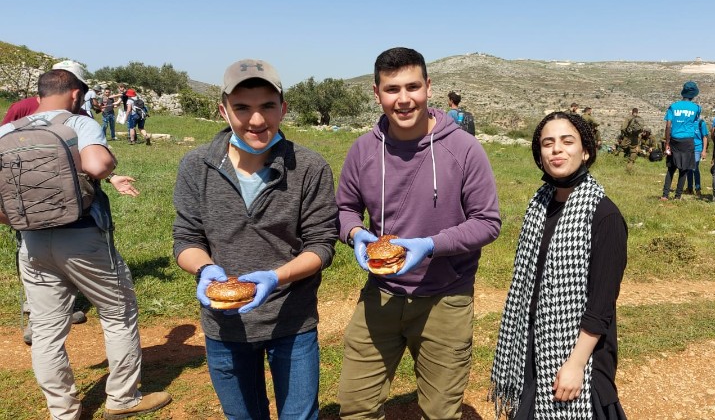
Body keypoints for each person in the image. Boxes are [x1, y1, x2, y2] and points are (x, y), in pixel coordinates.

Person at [335, 47, 501, 419]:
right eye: (392, 89)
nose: (404, 99)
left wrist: (430, 245)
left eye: (413, 86)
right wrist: (354, 233)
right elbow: (344, 208)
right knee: (355, 407)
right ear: (376, 93)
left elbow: (487, 221)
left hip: (445, 299)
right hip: (381, 296)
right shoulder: (363, 150)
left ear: (428, 87)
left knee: (440, 413)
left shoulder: (463, 149)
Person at [1, 62, 169, 419]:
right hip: (81, 236)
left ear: (39, 94)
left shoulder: (7, 132)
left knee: (46, 329)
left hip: (31, 242)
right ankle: (124, 399)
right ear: (76, 94)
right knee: (117, 312)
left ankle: (63, 411)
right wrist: (105, 162)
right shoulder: (79, 122)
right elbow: (96, 166)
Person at [172, 58, 338, 419]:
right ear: (223, 110)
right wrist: (205, 269)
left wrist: (276, 277)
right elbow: (186, 238)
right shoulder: (196, 165)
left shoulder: (309, 167)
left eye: (267, 106)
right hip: (224, 324)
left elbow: (322, 245)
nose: (257, 120)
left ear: (283, 108)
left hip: (291, 321)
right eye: (242, 108)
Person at [490, 111, 628, 419]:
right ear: (539, 154)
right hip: (532, 343)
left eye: (568, 141)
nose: (557, 150)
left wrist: (575, 364)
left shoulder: (604, 215)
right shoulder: (540, 205)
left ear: (586, 150)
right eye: (548, 143)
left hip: (583, 356)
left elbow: (601, 304)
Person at [661, 81, 701, 200]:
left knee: (671, 168)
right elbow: (694, 123)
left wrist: (667, 143)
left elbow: (668, 125)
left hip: (674, 139)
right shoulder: (697, 108)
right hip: (688, 140)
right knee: (684, 169)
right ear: (694, 94)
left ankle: (665, 195)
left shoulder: (673, 106)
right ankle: (678, 196)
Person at [685, 116, 709, 196]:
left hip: (697, 148)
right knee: (689, 168)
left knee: (694, 167)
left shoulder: (701, 123)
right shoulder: (688, 121)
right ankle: (689, 188)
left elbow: (705, 137)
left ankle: (698, 188)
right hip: (688, 147)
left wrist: (704, 150)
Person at [619, 108, 644, 172]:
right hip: (636, 137)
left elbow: (623, 128)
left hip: (628, 136)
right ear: (637, 112)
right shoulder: (640, 119)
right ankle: (630, 163)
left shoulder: (629, 118)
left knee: (622, 148)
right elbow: (641, 129)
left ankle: (619, 162)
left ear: (632, 112)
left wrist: (624, 134)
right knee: (633, 150)